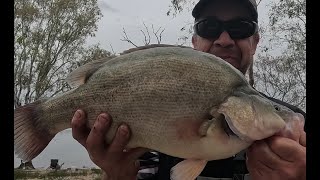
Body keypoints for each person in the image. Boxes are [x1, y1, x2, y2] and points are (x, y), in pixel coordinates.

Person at [70, 0, 306, 179]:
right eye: (209, 26)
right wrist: (118, 175)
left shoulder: (299, 130)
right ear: (194, 42)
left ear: (255, 42)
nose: (224, 39)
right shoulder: (144, 122)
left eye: (240, 27)